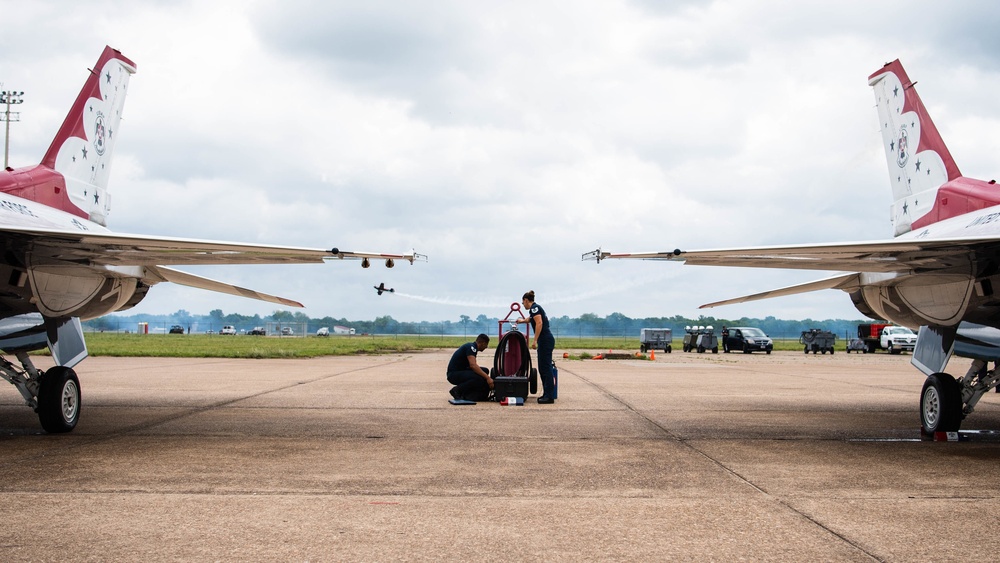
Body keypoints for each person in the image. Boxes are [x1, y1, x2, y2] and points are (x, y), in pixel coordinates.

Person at [515, 290, 556, 404]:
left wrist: (535, 340)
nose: (523, 305)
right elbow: (530, 319)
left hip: (545, 340)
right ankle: (547, 394)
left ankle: (549, 396)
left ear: (526, 300)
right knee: (543, 368)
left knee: (545, 368)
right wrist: (522, 321)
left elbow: (539, 323)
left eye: (523, 303)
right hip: (545, 340)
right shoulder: (535, 309)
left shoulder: (535, 308)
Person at [447, 333, 492, 402]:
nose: (486, 347)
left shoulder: (472, 347)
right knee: (478, 378)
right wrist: (488, 378)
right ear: (482, 343)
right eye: (486, 344)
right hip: (453, 374)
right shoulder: (471, 347)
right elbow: (473, 365)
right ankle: (457, 390)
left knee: (485, 371)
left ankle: (469, 393)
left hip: (460, 371)